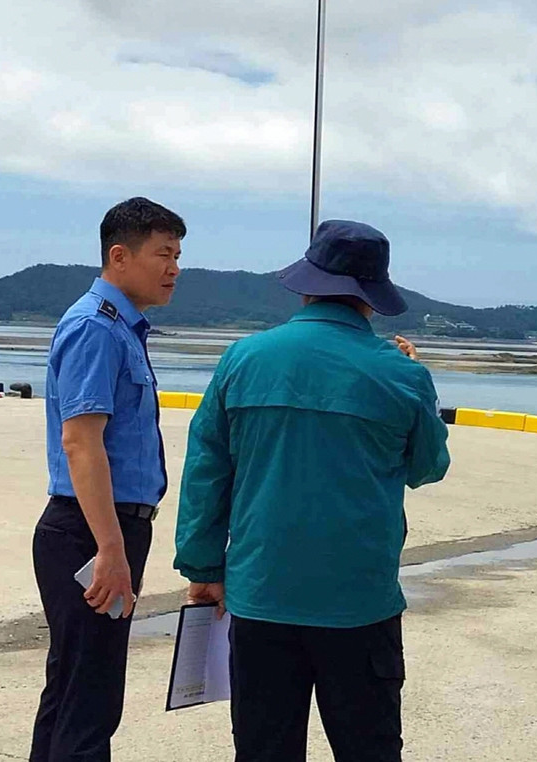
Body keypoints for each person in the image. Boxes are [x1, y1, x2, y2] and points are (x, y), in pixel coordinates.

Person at [174, 219, 451, 762]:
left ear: (307, 284)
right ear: (372, 296)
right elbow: (427, 466)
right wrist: (417, 382)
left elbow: (206, 472)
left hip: (260, 594)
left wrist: (204, 569)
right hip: (359, 601)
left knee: (264, 748)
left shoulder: (243, 358)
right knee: (369, 749)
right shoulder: (400, 375)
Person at [31, 197, 186, 762]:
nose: (173, 269)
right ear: (119, 256)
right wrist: (111, 547)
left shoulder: (122, 328)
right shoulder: (96, 329)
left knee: (74, 691)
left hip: (104, 528)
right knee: (90, 700)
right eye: (163, 254)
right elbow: (81, 442)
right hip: (90, 531)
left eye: (177, 256)